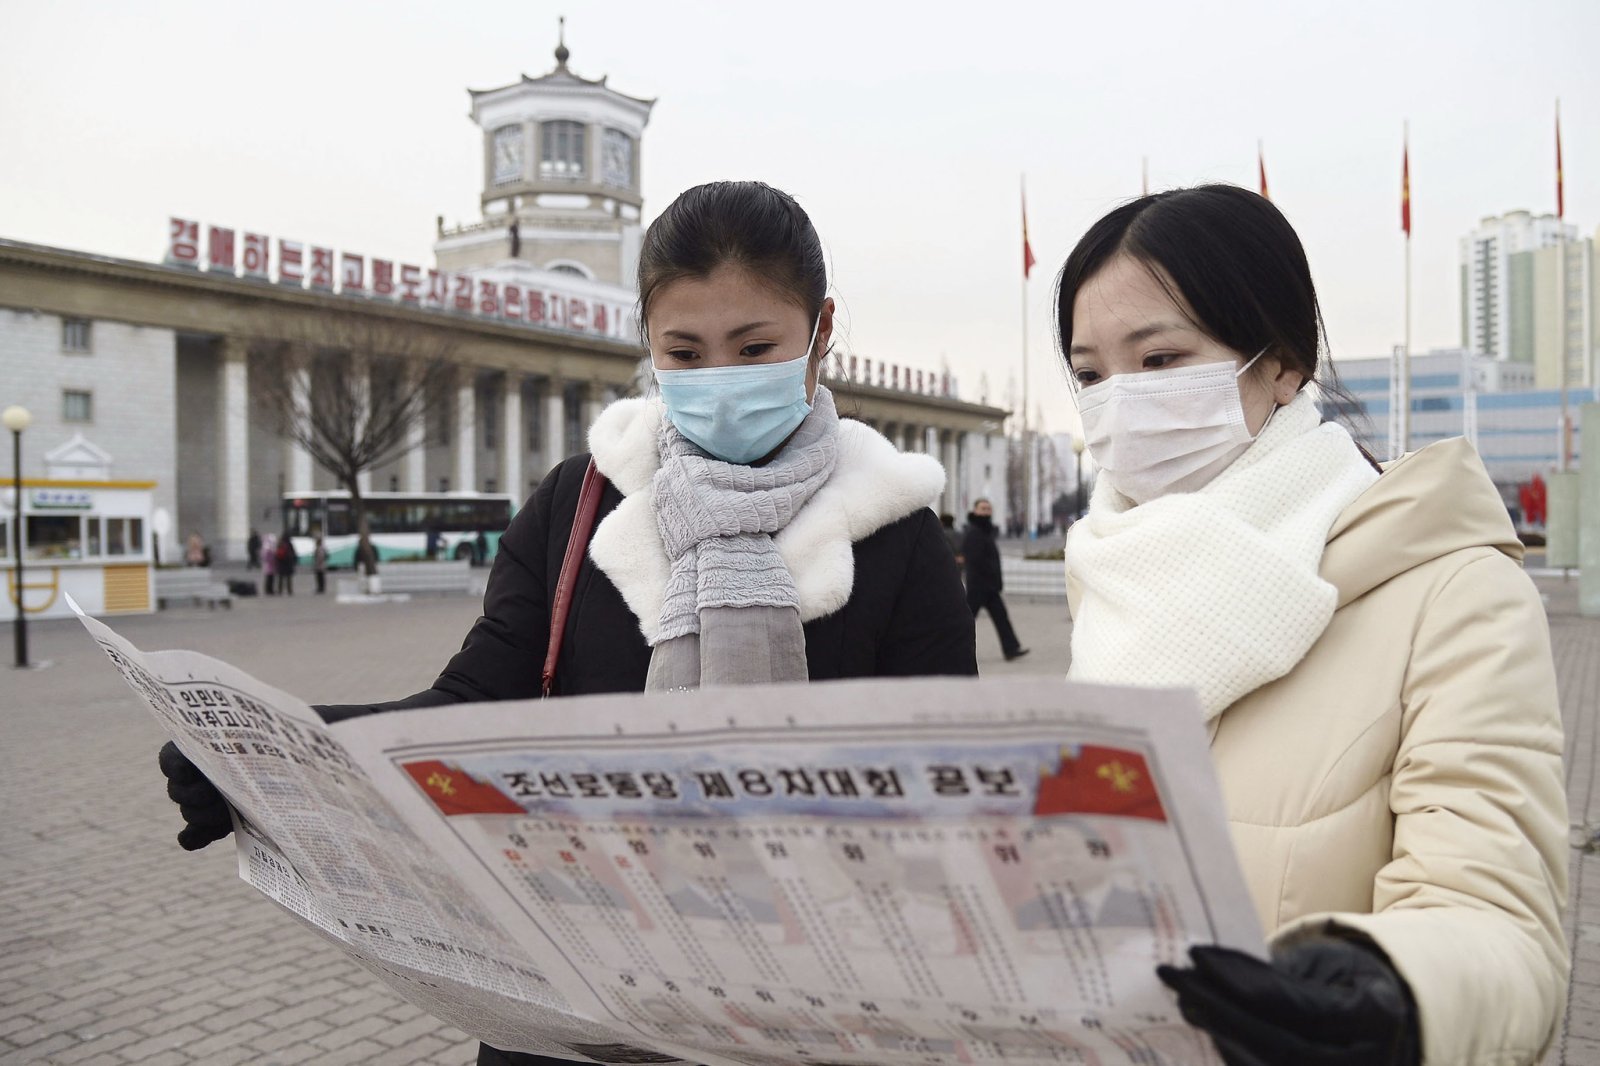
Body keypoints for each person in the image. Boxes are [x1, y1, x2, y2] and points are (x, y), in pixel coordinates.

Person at [158, 179, 977, 1066]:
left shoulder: (896, 529)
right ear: (647, 346)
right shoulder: (578, 502)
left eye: (754, 347)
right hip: (572, 1002)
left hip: (808, 1008)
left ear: (818, 332)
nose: (722, 383)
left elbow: (943, 786)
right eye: (687, 353)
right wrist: (271, 750)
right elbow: (475, 700)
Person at [1055, 183, 1566, 1066]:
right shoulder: (1113, 578)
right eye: (1092, 376)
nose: (1120, 406)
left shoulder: (1452, 590)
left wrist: (1390, 992)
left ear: (1284, 362)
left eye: (1162, 360)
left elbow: (1500, 917)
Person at [962, 498, 1028, 661]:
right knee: (966, 621)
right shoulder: (974, 532)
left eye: (988, 509)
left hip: (988, 586)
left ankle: (1011, 649)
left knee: (1001, 618)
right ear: (975, 511)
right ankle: (951, 650)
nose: (986, 512)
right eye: (982, 509)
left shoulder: (985, 531)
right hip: (979, 587)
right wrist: (986, 580)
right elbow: (974, 560)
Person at [260, 531, 277, 595]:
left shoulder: (265, 547)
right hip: (270, 565)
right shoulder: (268, 548)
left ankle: (269, 589)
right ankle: (269, 590)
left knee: (270, 578)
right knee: (270, 578)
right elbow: (267, 557)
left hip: (269, 566)